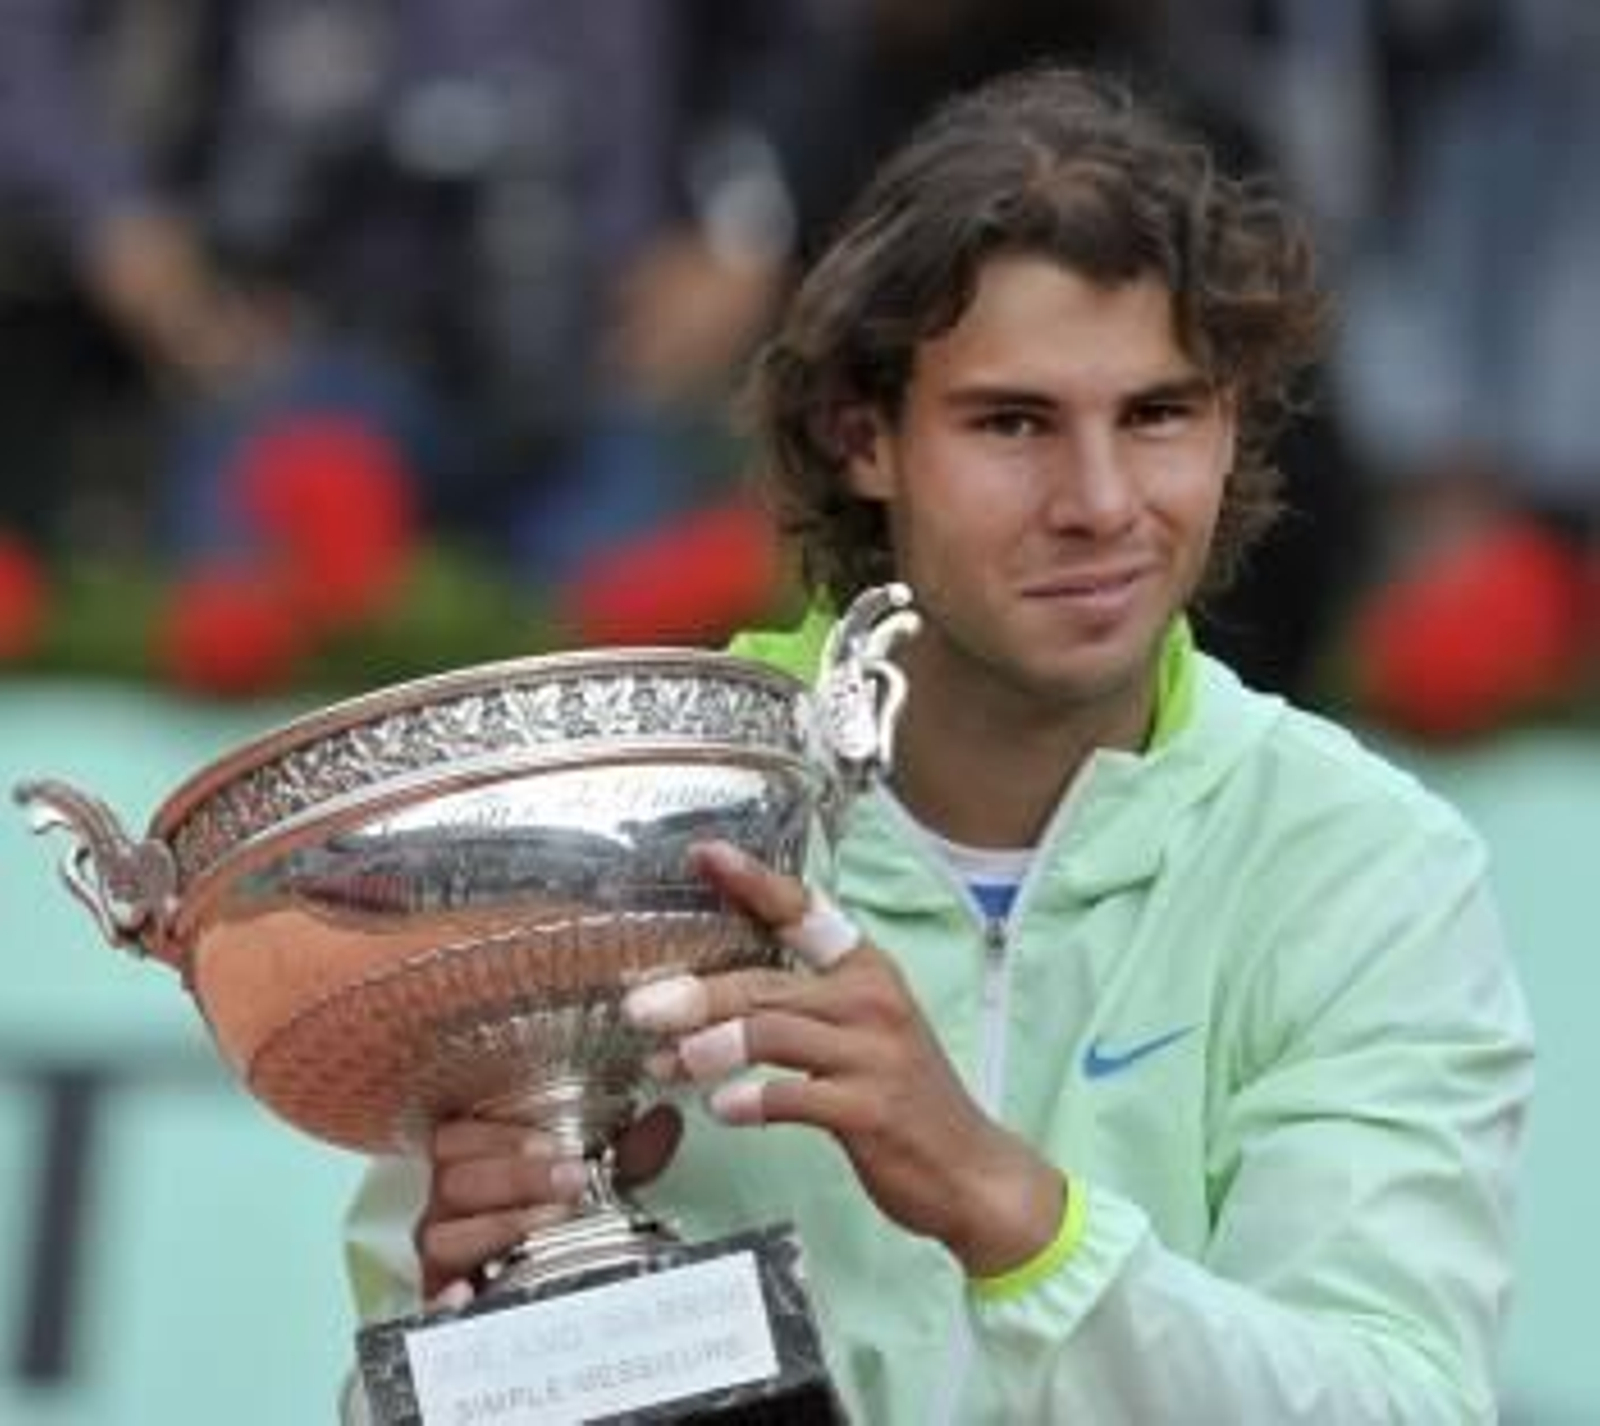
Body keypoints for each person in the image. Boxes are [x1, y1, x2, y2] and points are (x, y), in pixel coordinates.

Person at [339, 65, 1534, 1423]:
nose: (1099, 502)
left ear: (1231, 426)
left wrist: (1002, 1202)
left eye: (1157, 414)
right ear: (863, 436)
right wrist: (478, 1322)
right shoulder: (625, 827)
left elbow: (1397, 1401)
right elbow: (392, 1372)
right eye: (1012, 423)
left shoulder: (1363, 866)